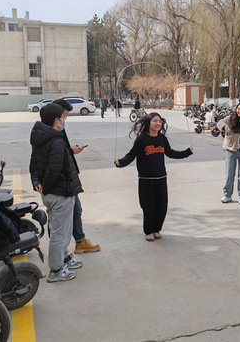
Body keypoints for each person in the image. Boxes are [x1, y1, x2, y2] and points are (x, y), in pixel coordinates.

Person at [114, 112, 193, 241]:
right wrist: (121, 162)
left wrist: (187, 152)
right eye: (155, 121)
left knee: (162, 206)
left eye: (160, 121)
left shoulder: (162, 138)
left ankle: (157, 229)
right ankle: (149, 231)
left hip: (161, 178)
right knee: (148, 206)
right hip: (146, 179)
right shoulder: (142, 139)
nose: (158, 123)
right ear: (148, 123)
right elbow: (132, 154)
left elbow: (171, 153)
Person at [30, 103, 83, 282]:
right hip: (60, 193)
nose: (64, 119)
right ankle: (56, 270)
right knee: (61, 233)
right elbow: (54, 169)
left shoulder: (40, 137)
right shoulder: (56, 141)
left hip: (50, 193)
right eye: (63, 116)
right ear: (55, 120)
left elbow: (34, 163)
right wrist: (46, 185)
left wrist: (37, 182)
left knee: (57, 229)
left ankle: (64, 258)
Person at [51, 99, 100, 254]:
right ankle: (61, 257)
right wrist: (71, 151)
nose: (65, 119)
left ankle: (79, 241)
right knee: (62, 218)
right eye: (64, 115)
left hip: (67, 177)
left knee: (76, 210)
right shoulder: (50, 133)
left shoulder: (57, 129)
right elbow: (53, 157)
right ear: (56, 115)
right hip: (60, 181)